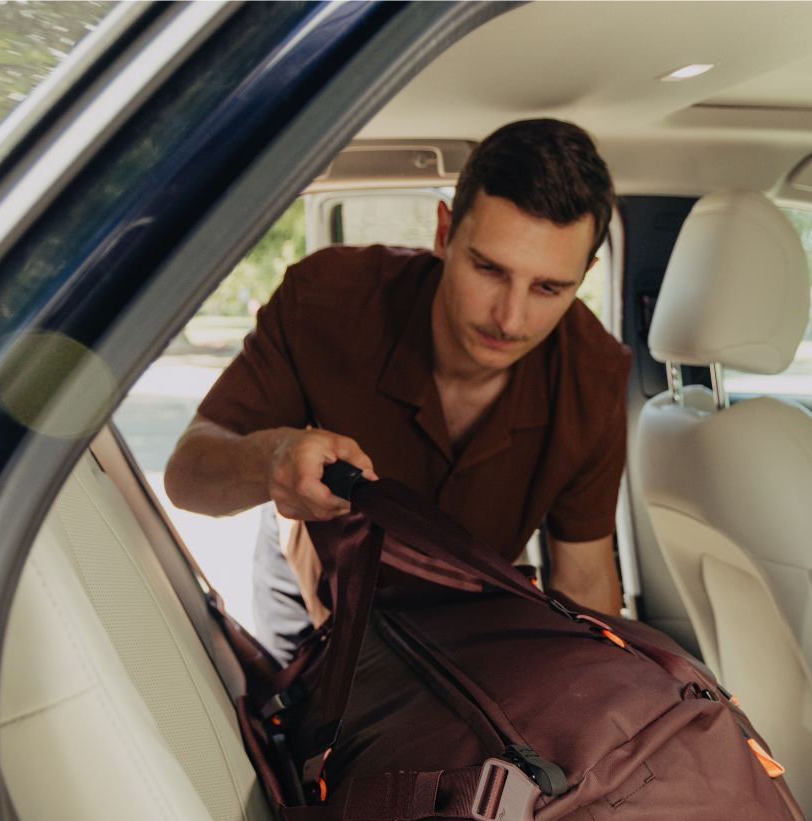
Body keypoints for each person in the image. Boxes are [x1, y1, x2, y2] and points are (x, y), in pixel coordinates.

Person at [164, 118, 632, 660]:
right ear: (443, 233)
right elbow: (186, 477)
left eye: (549, 288)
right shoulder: (326, 301)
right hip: (310, 591)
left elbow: (585, 581)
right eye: (488, 269)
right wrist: (272, 460)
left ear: (585, 274)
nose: (510, 318)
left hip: (459, 632)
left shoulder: (594, 376)